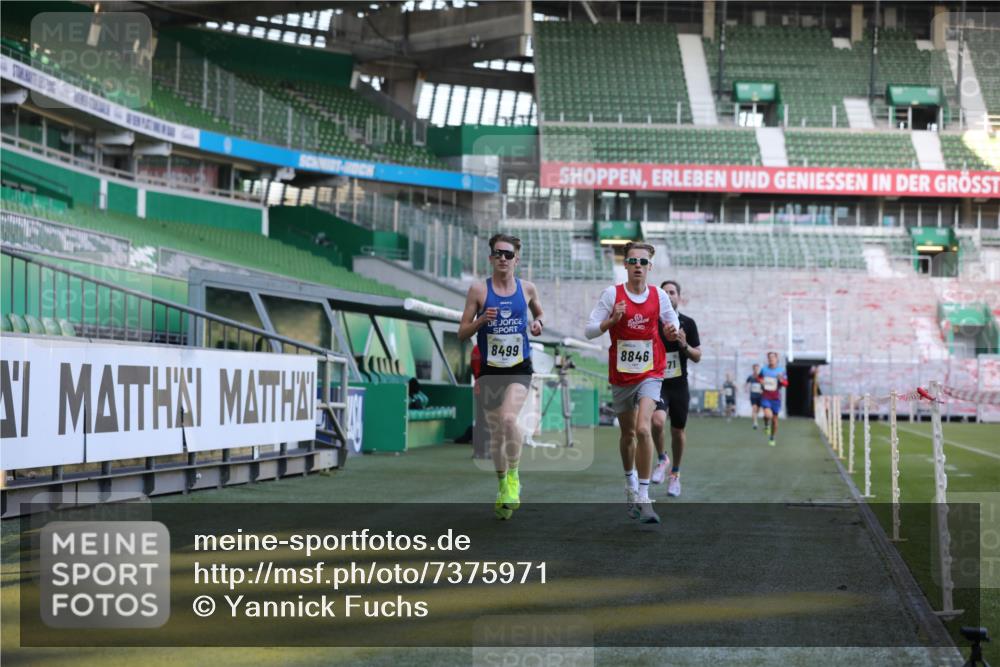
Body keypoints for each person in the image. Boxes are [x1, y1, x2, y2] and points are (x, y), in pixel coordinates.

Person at [585, 242, 679, 524]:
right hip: (622, 374)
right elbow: (589, 330)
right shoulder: (611, 294)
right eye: (632, 261)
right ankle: (630, 484)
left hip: (651, 371)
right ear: (625, 265)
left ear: (650, 266)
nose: (637, 265)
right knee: (627, 435)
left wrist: (672, 331)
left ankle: (645, 497)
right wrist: (611, 320)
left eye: (643, 261)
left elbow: (673, 325)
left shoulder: (659, 295)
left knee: (643, 428)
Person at [458, 234, 544, 520]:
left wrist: (538, 323)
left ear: (517, 259)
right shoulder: (478, 291)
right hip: (491, 369)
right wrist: (482, 320)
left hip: (519, 366)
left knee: (509, 419)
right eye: (498, 254)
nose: (503, 259)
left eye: (509, 255)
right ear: (491, 258)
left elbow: (539, 313)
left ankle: (515, 478)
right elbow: (462, 332)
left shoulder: (527, 289)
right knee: (496, 433)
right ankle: (502, 486)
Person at [651, 280, 701, 498]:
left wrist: (684, 344)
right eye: (664, 292)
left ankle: (675, 474)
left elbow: (698, 355)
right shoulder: (652, 321)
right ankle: (662, 458)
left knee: (677, 431)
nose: (668, 295)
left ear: (678, 297)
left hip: (679, 385)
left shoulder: (688, 324)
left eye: (672, 292)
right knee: (657, 421)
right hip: (657, 382)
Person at [758, 352, 788, 447]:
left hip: (775, 398)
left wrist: (781, 380)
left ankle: (772, 436)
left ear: (776, 359)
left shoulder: (781, 370)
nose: (771, 359)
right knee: (768, 414)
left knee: (775, 421)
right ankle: (766, 425)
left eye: (773, 357)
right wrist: (761, 381)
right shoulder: (764, 369)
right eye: (769, 358)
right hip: (766, 396)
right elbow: (759, 378)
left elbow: (786, 384)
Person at [745, 363, 763, 429]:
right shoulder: (750, 377)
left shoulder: (761, 377)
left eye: (757, 369)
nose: (756, 370)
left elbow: (764, 384)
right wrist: (746, 388)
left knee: (758, 410)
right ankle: (755, 423)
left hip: (760, 396)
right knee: (754, 409)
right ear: (753, 369)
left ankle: (755, 418)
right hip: (753, 396)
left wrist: (762, 390)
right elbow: (746, 383)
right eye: (755, 369)